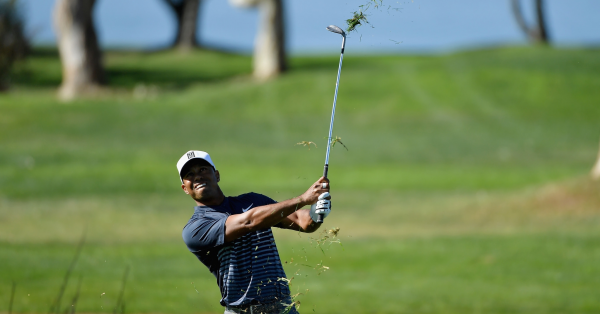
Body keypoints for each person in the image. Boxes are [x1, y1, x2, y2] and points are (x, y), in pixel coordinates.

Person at [177, 150, 332, 314]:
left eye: (203, 169)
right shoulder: (195, 228)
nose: (198, 176)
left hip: (284, 308)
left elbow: (301, 221)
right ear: (184, 188)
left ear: (216, 174)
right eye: (190, 174)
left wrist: (317, 213)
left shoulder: (253, 201)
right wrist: (303, 199)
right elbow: (248, 222)